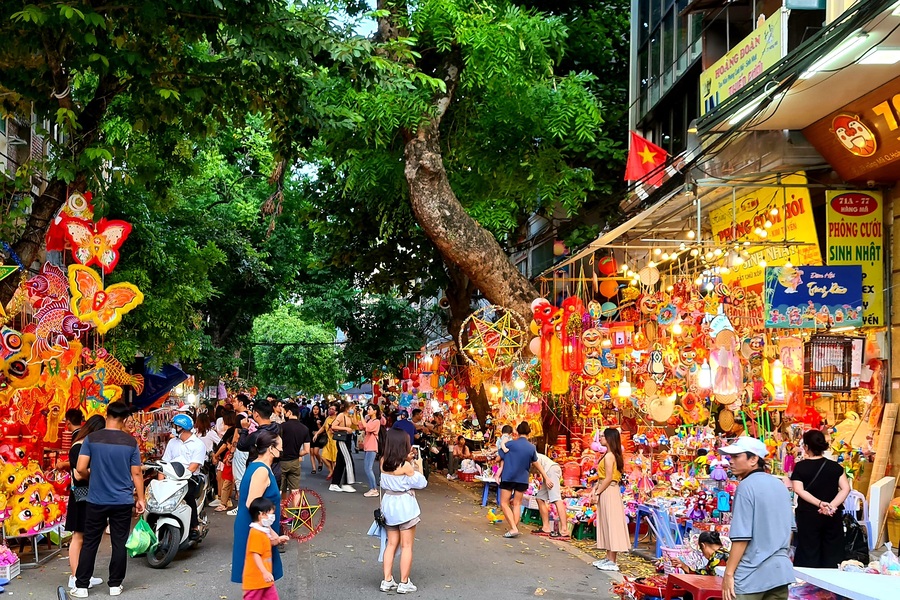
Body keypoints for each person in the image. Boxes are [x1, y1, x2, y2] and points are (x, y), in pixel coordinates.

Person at [71, 401, 145, 598]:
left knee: (90, 542)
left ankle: (81, 586)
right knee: (119, 542)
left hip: (96, 499)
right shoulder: (130, 442)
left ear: (107, 414)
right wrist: (142, 498)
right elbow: (136, 473)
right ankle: (114, 585)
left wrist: (92, 477)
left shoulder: (92, 439)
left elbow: (80, 468)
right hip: (122, 500)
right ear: (125, 419)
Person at [719, 436, 794, 600]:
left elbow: (741, 537)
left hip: (750, 576)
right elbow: (790, 531)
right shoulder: (780, 486)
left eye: (736, 456)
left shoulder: (746, 487)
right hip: (780, 573)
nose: (730, 461)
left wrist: (729, 573)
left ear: (753, 459)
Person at [791, 429, 850, 568]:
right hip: (832, 515)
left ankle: (809, 585)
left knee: (808, 550)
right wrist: (831, 506)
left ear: (806, 447)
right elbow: (846, 488)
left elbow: (799, 490)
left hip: (808, 514)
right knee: (832, 550)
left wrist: (819, 504)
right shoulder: (835, 467)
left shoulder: (800, 467)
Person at [232, 430, 285, 586]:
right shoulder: (261, 470)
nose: (282, 449)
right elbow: (252, 503)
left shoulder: (257, 465)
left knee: (261, 577)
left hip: (259, 528)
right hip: (256, 529)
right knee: (259, 577)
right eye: (280, 446)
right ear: (271, 448)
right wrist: (271, 531)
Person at [379, 428, 428, 594]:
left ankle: (387, 580)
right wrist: (418, 465)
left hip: (388, 505)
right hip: (405, 507)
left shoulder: (383, 461)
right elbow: (421, 483)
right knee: (407, 546)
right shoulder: (406, 466)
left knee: (391, 544)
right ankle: (404, 582)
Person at [65, 415, 106, 592]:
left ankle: (84, 574)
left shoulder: (86, 445)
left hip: (90, 496)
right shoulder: (78, 447)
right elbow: (79, 474)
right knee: (78, 536)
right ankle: (75, 576)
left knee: (89, 537)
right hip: (81, 497)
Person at [496, 422, 548, 538]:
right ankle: (514, 527)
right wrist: (545, 476)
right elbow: (536, 462)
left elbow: (498, 458)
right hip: (522, 478)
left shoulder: (510, 444)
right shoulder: (531, 448)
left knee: (504, 503)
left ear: (517, 432)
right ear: (529, 433)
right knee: (517, 504)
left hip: (508, 476)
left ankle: (513, 528)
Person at [161, 413, 207, 540]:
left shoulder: (198, 444)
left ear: (180, 427)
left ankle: (194, 527)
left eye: (174, 426)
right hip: (170, 479)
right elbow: (164, 462)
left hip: (190, 479)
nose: (172, 428)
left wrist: (181, 477)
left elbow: (193, 466)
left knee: (188, 496)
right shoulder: (172, 443)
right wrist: (161, 481)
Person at [591, 428, 630, 572]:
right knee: (607, 523)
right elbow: (602, 478)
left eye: (602, 436)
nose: (600, 438)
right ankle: (608, 558)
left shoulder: (609, 456)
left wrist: (598, 491)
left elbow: (608, 478)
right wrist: (595, 489)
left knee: (611, 524)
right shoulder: (609, 454)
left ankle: (612, 560)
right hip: (607, 489)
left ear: (609, 438)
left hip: (609, 490)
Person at [242, 497, 289, 600]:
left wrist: (279, 540)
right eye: (271, 514)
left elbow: (268, 543)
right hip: (256, 579)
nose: (272, 517)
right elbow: (255, 554)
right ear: (261, 515)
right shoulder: (255, 533)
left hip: (265, 579)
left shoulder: (262, 530)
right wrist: (264, 572)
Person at [532, 452, 568, 540]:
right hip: (547, 472)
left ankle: (564, 530)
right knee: (540, 498)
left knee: (556, 499)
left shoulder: (526, 454)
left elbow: (537, 464)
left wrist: (547, 478)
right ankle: (546, 527)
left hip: (551, 470)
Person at [279, 402, 311, 500]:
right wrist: (297, 453)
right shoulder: (305, 429)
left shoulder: (282, 426)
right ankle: (296, 512)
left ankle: (282, 512)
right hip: (295, 462)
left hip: (282, 462)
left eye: (284, 412)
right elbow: (306, 450)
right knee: (295, 490)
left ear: (289, 412)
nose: (284, 414)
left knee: (280, 489)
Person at [329, 402, 359, 493]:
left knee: (340, 462)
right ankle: (346, 483)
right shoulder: (341, 415)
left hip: (347, 439)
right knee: (348, 460)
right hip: (342, 439)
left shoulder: (349, 416)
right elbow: (333, 426)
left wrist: (355, 414)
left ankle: (334, 483)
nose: (353, 409)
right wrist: (346, 429)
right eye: (352, 408)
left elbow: (355, 423)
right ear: (347, 408)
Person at [213, 427, 239, 512]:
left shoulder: (231, 453)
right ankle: (225, 502)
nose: (227, 446)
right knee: (226, 488)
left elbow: (226, 462)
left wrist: (226, 459)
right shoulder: (229, 453)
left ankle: (223, 504)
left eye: (228, 444)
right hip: (227, 473)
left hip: (228, 474)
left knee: (225, 488)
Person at [363, 404, 382, 497]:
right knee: (366, 468)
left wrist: (363, 419)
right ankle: (372, 488)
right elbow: (360, 426)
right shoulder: (369, 420)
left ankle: (374, 488)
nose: (368, 410)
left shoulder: (376, 421)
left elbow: (367, 428)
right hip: (367, 446)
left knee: (368, 468)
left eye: (370, 409)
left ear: (375, 411)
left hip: (372, 446)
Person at [303, 404, 326, 474]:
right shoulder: (309, 417)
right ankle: (314, 468)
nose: (315, 410)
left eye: (317, 409)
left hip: (318, 437)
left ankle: (320, 461)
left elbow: (323, 429)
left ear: (319, 410)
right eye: (314, 409)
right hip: (310, 436)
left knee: (316, 452)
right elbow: (306, 427)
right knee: (311, 452)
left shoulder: (322, 418)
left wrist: (318, 425)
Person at [318, 404, 338, 478]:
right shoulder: (328, 418)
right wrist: (317, 434)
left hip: (335, 441)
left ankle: (335, 474)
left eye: (332, 409)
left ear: (336, 412)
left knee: (334, 460)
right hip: (328, 441)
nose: (330, 410)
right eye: (329, 408)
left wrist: (335, 431)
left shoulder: (338, 419)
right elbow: (323, 427)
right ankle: (331, 471)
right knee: (323, 457)